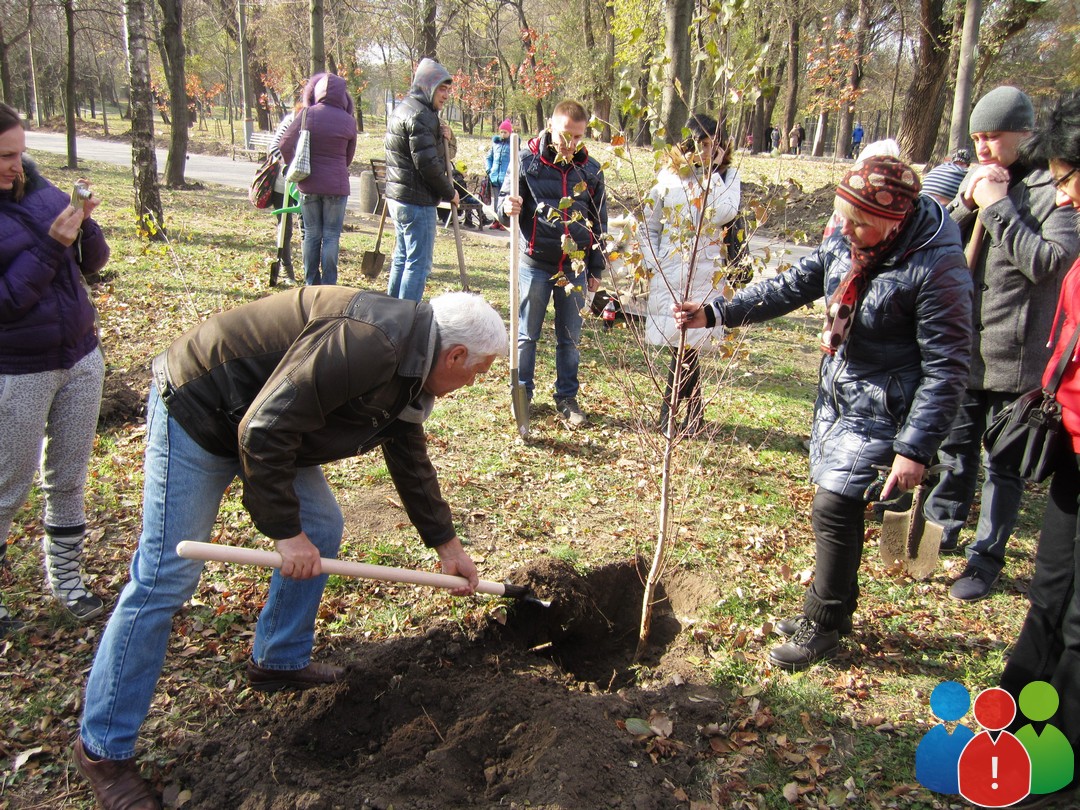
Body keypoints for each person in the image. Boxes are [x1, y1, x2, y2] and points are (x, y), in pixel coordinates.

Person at [72, 287, 506, 809]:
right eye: (477, 372)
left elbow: (406, 451)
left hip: (272, 419)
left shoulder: (416, 368)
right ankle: (103, 751)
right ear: (455, 355)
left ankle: (277, 659)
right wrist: (284, 532)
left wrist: (445, 541)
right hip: (202, 409)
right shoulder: (373, 343)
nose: (473, 382)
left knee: (320, 526)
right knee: (164, 579)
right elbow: (261, 428)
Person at [674, 156, 973, 671]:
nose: (846, 229)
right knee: (838, 506)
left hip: (887, 406)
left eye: (859, 221)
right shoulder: (849, 240)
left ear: (896, 219)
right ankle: (833, 608)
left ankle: (824, 622)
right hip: (841, 395)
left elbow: (948, 367)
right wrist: (718, 311)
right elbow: (793, 285)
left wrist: (915, 447)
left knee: (834, 507)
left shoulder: (936, 266)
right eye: (843, 216)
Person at [924, 85, 1080, 602]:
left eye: (993, 137)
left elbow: (1049, 264)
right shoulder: (979, 180)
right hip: (966, 346)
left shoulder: (1054, 189)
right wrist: (968, 204)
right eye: (976, 137)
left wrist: (996, 206)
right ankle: (939, 531)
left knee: (1003, 466)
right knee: (954, 450)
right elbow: (940, 246)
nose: (984, 148)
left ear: (1025, 134)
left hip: (1020, 355)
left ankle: (985, 558)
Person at [0, 102, 110, 636]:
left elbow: (92, 264)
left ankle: (67, 582)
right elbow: (6, 301)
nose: (16, 165)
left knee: (68, 479)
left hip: (80, 357)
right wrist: (51, 245)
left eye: (20, 152)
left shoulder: (41, 193)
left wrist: (85, 226)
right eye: (4, 156)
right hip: (18, 369)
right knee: (7, 484)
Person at [997, 91, 1080, 803]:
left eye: (1073, 177)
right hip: (1072, 453)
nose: (1067, 193)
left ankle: (1059, 763)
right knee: (1049, 589)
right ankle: (1014, 719)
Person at [498, 99, 608, 427]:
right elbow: (502, 199)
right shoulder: (527, 160)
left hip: (574, 265)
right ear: (550, 126)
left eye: (577, 137)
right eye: (565, 136)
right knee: (527, 333)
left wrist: (596, 267)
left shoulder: (590, 170)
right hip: (535, 261)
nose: (570, 144)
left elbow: (599, 221)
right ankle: (522, 393)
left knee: (570, 338)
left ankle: (566, 397)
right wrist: (507, 206)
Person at [643, 114, 741, 438]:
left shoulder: (727, 177)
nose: (708, 150)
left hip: (706, 274)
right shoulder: (668, 177)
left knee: (686, 344)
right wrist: (654, 263)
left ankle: (669, 416)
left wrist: (711, 176)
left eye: (714, 144)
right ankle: (690, 415)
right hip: (672, 271)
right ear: (688, 143)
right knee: (681, 344)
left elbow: (724, 213)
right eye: (701, 144)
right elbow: (649, 224)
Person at [384, 58, 459, 302]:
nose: (446, 95)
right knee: (418, 265)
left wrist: (443, 135)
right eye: (442, 89)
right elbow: (428, 166)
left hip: (399, 199)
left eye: (448, 90)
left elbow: (425, 154)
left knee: (402, 258)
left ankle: (390, 312)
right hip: (416, 202)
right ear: (427, 86)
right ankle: (405, 320)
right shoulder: (421, 116)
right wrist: (450, 192)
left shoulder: (403, 109)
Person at [279, 72, 357, 287]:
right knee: (331, 235)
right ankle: (329, 285)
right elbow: (348, 158)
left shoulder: (307, 114)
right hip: (337, 186)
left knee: (311, 234)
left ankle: (311, 283)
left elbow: (284, 144)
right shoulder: (349, 121)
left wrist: (293, 164)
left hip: (309, 184)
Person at [267, 101, 302, 287]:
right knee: (285, 229)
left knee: (305, 230)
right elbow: (274, 148)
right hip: (283, 185)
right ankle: (286, 270)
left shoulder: (311, 123)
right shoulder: (290, 121)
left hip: (304, 186)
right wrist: (293, 166)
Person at [485, 119, 513, 230]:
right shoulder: (495, 144)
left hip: (506, 179)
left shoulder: (512, 145)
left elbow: (516, 160)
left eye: (505, 132)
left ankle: (504, 222)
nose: (502, 134)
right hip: (495, 177)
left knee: (505, 201)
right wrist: (489, 169)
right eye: (501, 132)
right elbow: (489, 158)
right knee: (496, 200)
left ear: (509, 133)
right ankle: (496, 220)